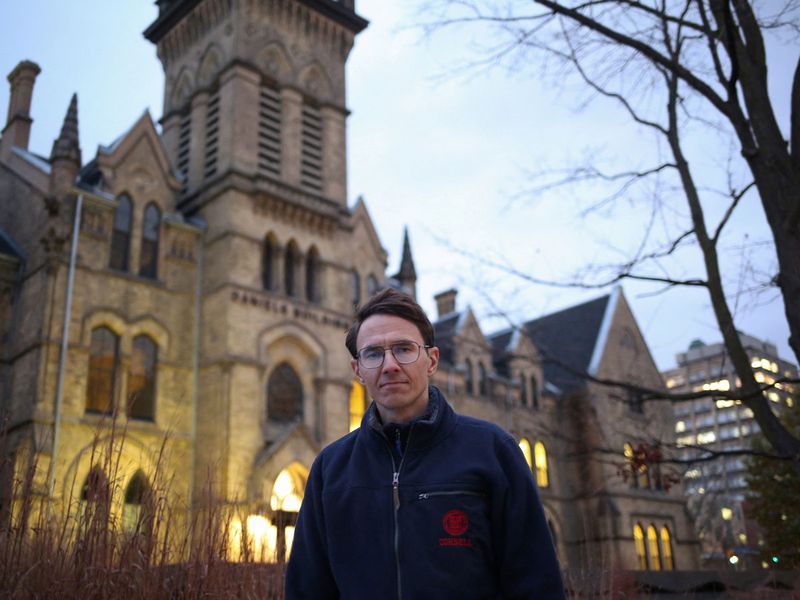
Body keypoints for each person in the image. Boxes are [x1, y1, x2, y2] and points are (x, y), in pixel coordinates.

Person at [285, 288, 565, 599]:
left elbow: (536, 582)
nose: (389, 364)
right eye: (374, 353)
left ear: (431, 361)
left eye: (404, 349)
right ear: (358, 370)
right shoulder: (330, 469)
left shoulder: (493, 451)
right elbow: (307, 588)